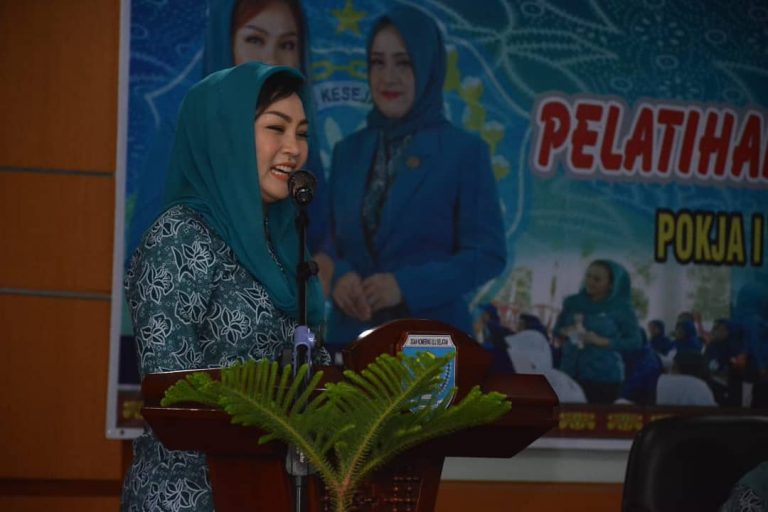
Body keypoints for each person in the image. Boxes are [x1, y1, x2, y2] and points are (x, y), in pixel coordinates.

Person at [120, 62, 328, 511]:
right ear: (225, 136)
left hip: (270, 491)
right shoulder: (179, 238)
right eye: (276, 128)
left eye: (302, 133)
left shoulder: (285, 243)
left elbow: (311, 366)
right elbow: (175, 394)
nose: (294, 149)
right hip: (190, 497)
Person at [326, 6, 506, 345]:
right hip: (349, 339)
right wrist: (339, 277)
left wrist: (405, 286)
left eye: (404, 63)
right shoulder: (347, 152)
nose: (388, 77)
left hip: (427, 344)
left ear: (427, 67)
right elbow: (327, 240)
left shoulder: (463, 152)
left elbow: (487, 254)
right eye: (378, 62)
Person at [126, 0, 332, 292]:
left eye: (287, 45)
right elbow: (144, 260)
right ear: (226, 43)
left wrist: (323, 264)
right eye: (255, 40)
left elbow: (321, 234)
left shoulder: (298, 132)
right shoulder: (187, 129)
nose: (271, 60)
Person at [554, 259, 642, 404]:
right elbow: (557, 331)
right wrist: (566, 331)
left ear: (611, 284)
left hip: (603, 378)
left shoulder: (622, 308)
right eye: (588, 276)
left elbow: (635, 342)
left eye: (597, 279)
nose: (590, 282)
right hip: (569, 374)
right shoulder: (572, 302)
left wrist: (601, 341)